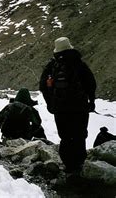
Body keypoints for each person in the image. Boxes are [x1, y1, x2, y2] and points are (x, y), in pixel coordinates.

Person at [39, 37, 96, 174]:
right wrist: (91, 101)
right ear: (70, 47)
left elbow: (43, 86)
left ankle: (67, 164)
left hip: (60, 108)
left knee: (65, 136)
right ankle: (79, 163)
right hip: (79, 107)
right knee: (79, 134)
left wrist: (50, 104)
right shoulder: (79, 63)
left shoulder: (52, 66)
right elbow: (91, 83)